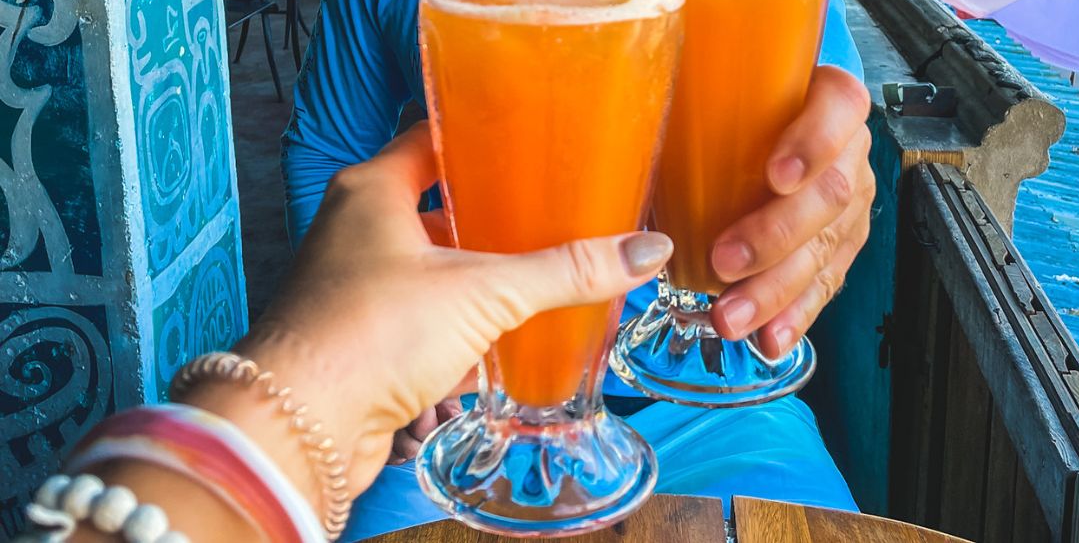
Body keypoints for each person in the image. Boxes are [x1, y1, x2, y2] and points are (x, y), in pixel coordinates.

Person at [282, 0, 872, 538]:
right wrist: (370, 336)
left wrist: (829, 181)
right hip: (460, 399)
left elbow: (818, 115)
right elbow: (329, 153)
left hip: (710, 398)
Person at [14, 125, 681, 542]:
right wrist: (330, 371)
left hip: (675, 396)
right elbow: (328, 153)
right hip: (450, 406)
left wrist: (307, 387)